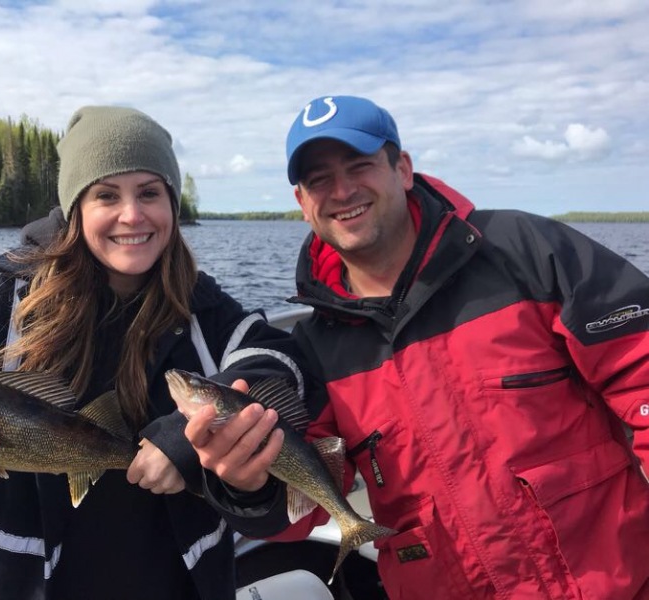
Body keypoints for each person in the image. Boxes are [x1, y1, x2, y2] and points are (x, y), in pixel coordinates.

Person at [183, 95, 649, 599]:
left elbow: (638, 367)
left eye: (359, 166)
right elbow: (302, 505)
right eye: (319, 180)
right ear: (302, 203)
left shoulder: (524, 251)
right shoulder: (313, 348)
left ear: (402, 169)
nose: (341, 191)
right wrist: (247, 485)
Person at [0, 105, 309, 600]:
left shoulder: (206, 310)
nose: (132, 215)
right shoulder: (1, 297)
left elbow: (282, 365)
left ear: (172, 205)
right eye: (106, 195)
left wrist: (187, 436)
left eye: (150, 193)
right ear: (76, 208)